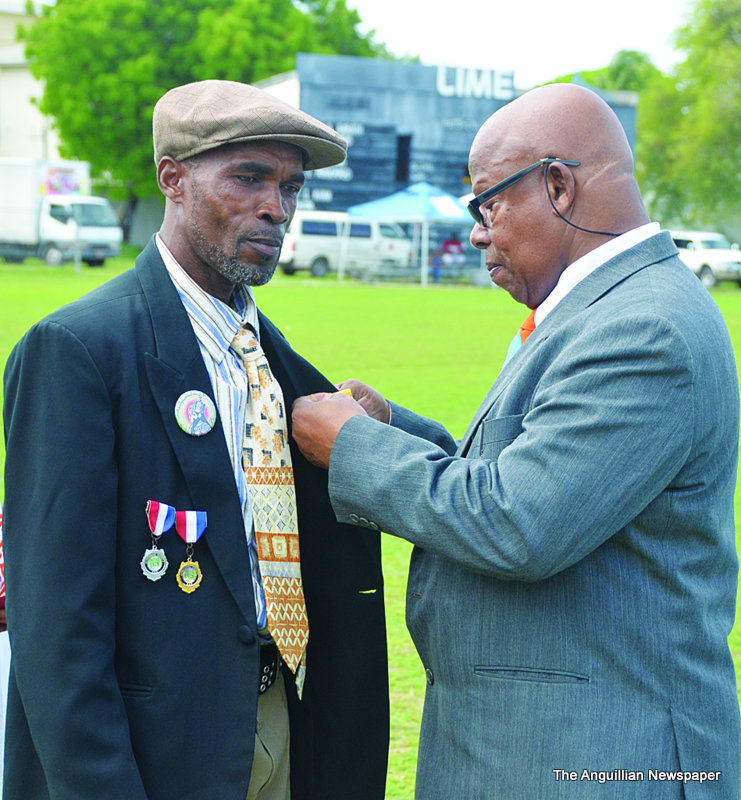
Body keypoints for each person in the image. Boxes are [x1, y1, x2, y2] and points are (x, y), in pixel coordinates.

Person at [291, 83, 741, 799]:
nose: (476, 233)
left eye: (487, 204)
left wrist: (353, 447)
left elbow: (518, 521)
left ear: (557, 186)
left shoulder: (642, 328)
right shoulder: (605, 306)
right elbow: (526, 468)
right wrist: (394, 431)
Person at [2, 80, 389, 800]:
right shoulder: (78, 351)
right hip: (154, 751)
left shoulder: (275, 363)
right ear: (172, 180)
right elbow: (56, 632)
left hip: (284, 722)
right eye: (249, 178)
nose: (276, 208)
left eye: (290, 187)